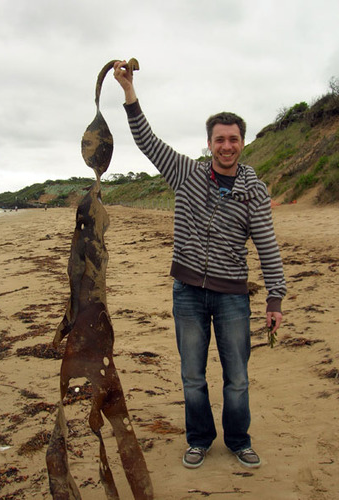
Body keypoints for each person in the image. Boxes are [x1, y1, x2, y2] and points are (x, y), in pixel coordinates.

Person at [113, 60, 286, 470]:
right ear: (209, 143)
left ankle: (239, 440)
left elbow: (267, 244)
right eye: (219, 139)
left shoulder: (254, 192)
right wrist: (128, 91)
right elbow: (147, 140)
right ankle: (199, 439)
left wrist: (275, 298)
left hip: (232, 297)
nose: (227, 146)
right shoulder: (185, 173)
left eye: (234, 139)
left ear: (242, 143)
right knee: (192, 376)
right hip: (187, 293)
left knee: (237, 378)